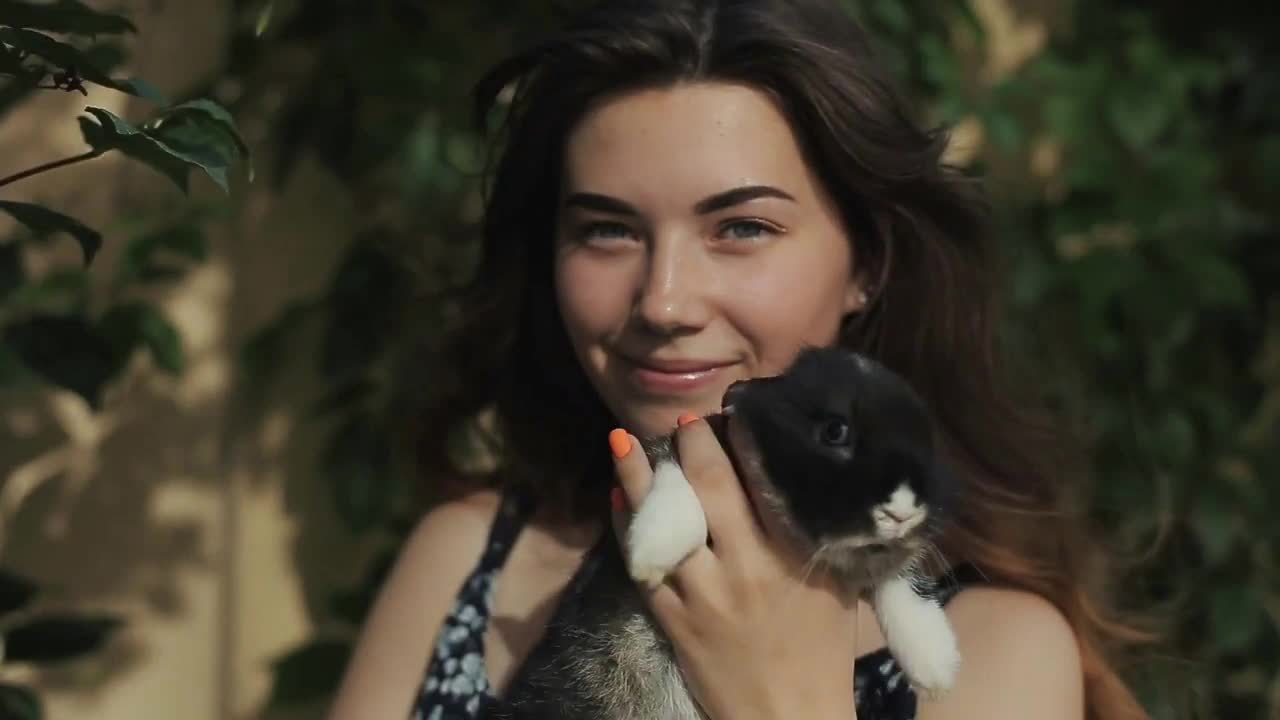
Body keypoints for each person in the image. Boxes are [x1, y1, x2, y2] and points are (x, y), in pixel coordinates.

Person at [327, 1, 1152, 718]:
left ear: (867, 264)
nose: (664, 302)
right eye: (607, 229)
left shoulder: (992, 652)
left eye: (742, 227)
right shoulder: (469, 556)